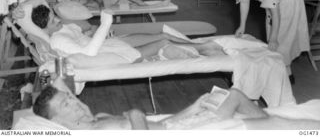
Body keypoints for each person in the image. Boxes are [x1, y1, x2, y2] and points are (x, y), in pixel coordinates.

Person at [32, 78, 320, 130]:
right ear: (58, 123)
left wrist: (191, 108)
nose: (77, 103)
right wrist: (134, 115)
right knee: (279, 124)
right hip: (191, 131)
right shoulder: (92, 132)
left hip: (180, 124)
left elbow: (162, 124)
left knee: (233, 95)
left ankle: (270, 123)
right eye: (67, 105)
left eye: (71, 97)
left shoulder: (96, 118)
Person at [29, 0, 223, 68]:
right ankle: (204, 47)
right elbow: (88, 54)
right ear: (45, 27)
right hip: (114, 53)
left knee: (163, 36)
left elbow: (87, 32)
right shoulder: (58, 40)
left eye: (55, 17)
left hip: (112, 43)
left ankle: (200, 45)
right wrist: (105, 24)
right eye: (53, 21)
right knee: (163, 40)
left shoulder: (62, 29)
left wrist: (101, 32)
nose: (58, 20)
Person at [230, 0, 310, 78]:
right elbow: (244, 1)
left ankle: (285, 75)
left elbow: (275, 14)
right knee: (271, 33)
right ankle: (283, 73)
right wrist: (242, 26)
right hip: (273, 2)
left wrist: (274, 38)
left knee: (281, 37)